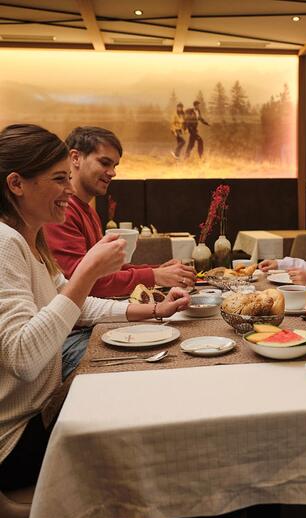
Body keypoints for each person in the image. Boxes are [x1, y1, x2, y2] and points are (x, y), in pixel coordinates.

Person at [0, 124, 190, 491]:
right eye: (59, 179)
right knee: (144, 436)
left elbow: (78, 306)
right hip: (16, 437)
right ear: (16, 184)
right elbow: (23, 359)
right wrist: (87, 271)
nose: (69, 190)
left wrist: (154, 312)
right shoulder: (6, 243)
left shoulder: (29, 240)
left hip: (40, 413)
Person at [44, 126, 196, 298]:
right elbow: (80, 281)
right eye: (104, 163)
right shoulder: (62, 212)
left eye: (114, 165)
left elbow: (103, 269)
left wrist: (157, 270)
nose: (113, 172)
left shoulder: (88, 211)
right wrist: (154, 276)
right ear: (75, 157)